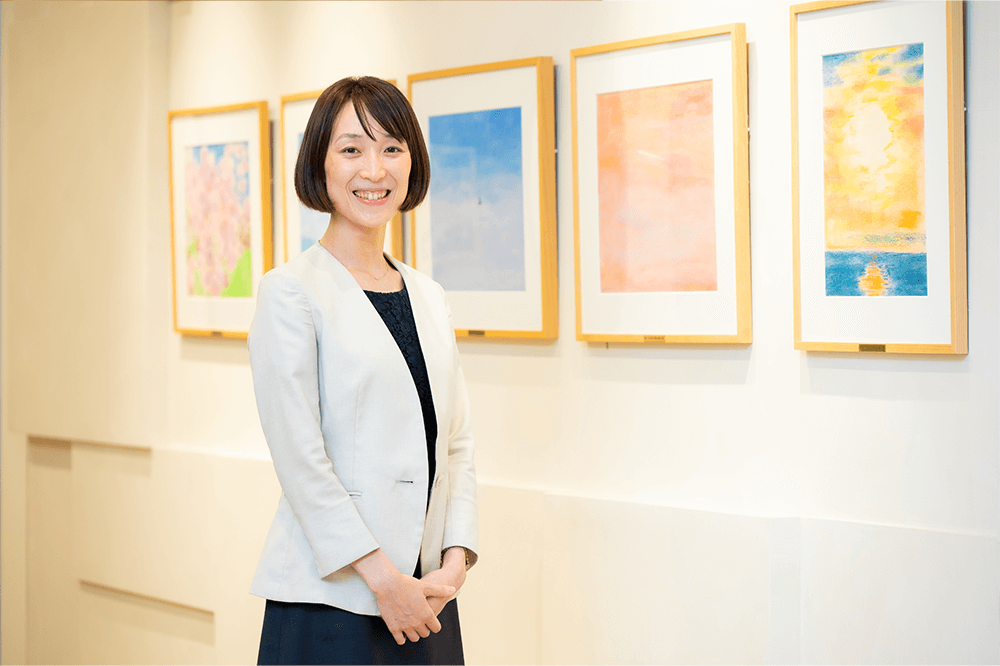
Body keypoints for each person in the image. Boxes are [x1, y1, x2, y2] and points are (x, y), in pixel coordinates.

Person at [247, 76, 478, 665]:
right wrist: (382, 578)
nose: (374, 170)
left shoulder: (428, 295)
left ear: (412, 162)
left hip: (427, 595)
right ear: (320, 164)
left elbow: (455, 443)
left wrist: (455, 560)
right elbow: (301, 461)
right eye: (352, 149)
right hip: (332, 600)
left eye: (391, 148)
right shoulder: (290, 292)